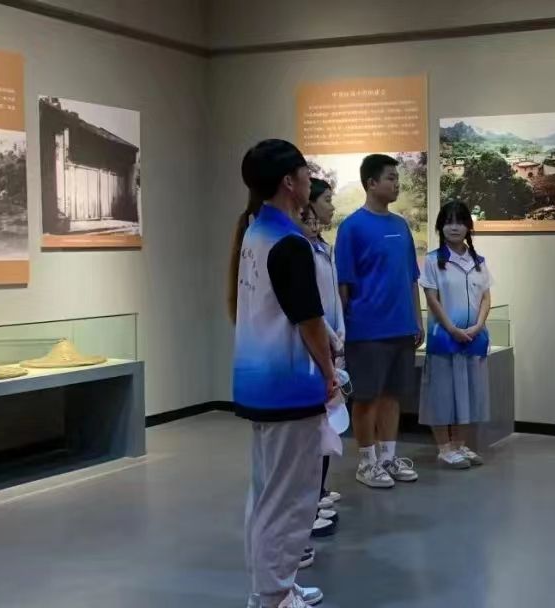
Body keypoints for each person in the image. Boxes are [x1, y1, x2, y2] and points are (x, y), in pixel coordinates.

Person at [230, 139, 333, 608]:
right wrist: (330, 373)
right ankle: (272, 595)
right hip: (289, 387)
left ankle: (274, 585)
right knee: (290, 498)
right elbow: (308, 320)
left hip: (260, 386)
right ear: (289, 182)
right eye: (305, 172)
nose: (311, 178)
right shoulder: (289, 242)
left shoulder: (256, 232)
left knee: (267, 492)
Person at [335, 154, 423, 489]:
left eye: (397, 178)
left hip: (401, 327)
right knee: (366, 396)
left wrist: (416, 319)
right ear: (371, 183)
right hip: (366, 329)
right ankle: (367, 462)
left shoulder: (401, 226)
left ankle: (388, 457)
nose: (396, 184)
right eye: (390, 178)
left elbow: (411, 278)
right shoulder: (352, 227)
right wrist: (343, 330)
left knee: (392, 395)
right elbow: (343, 285)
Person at [418, 201, 493, 469]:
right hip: (445, 338)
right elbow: (432, 298)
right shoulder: (432, 261)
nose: (454, 227)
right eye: (448, 222)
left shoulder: (478, 262)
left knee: (468, 392)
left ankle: (460, 445)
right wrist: (452, 328)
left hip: (473, 338)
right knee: (441, 393)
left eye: (460, 222)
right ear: (440, 226)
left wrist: (478, 326)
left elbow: (486, 297)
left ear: (468, 227)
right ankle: (444, 448)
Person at [300, 179, 346, 540]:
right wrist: (329, 335)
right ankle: (308, 501)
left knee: (328, 423)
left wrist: (340, 333)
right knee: (313, 428)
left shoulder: (324, 249)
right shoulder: (300, 250)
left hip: (333, 344)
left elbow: (333, 301)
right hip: (315, 347)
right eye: (327, 200)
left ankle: (319, 491)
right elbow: (310, 306)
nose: (331, 207)